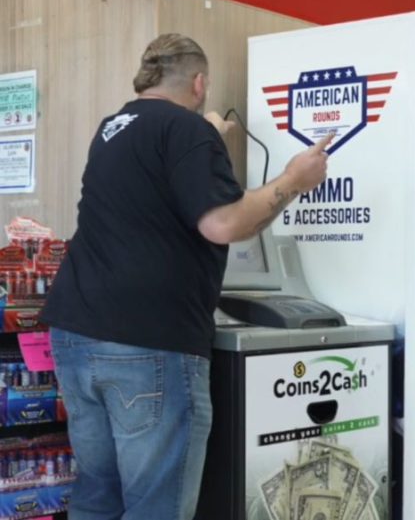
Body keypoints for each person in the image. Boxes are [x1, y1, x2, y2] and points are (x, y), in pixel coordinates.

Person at [40, 34, 332, 520]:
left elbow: (172, 202)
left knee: (98, 495)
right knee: (157, 506)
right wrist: (294, 179)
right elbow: (223, 224)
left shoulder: (114, 127)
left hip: (76, 333)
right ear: (199, 83)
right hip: (147, 343)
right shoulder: (187, 130)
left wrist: (208, 139)